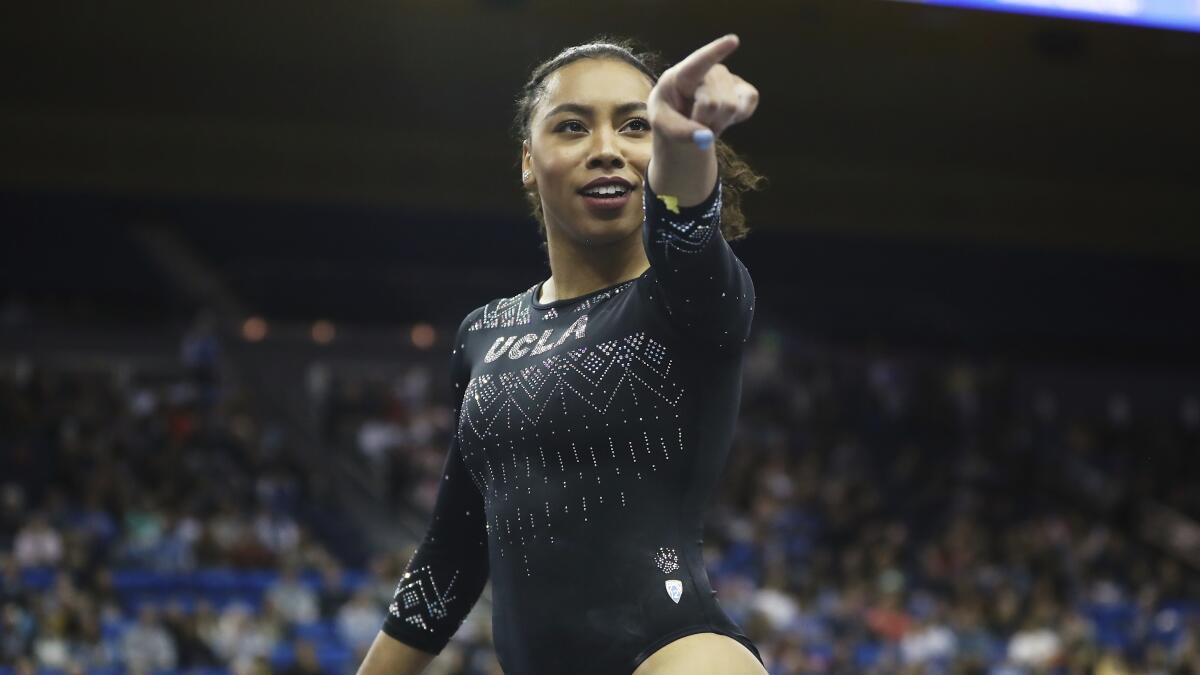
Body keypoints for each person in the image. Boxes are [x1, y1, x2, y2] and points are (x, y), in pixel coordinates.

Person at [358, 33, 766, 675]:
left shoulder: (683, 303)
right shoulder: (484, 333)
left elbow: (688, 234)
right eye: (572, 127)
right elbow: (454, 552)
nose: (606, 150)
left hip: (678, 656)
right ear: (529, 159)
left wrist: (685, 142)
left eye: (634, 125)